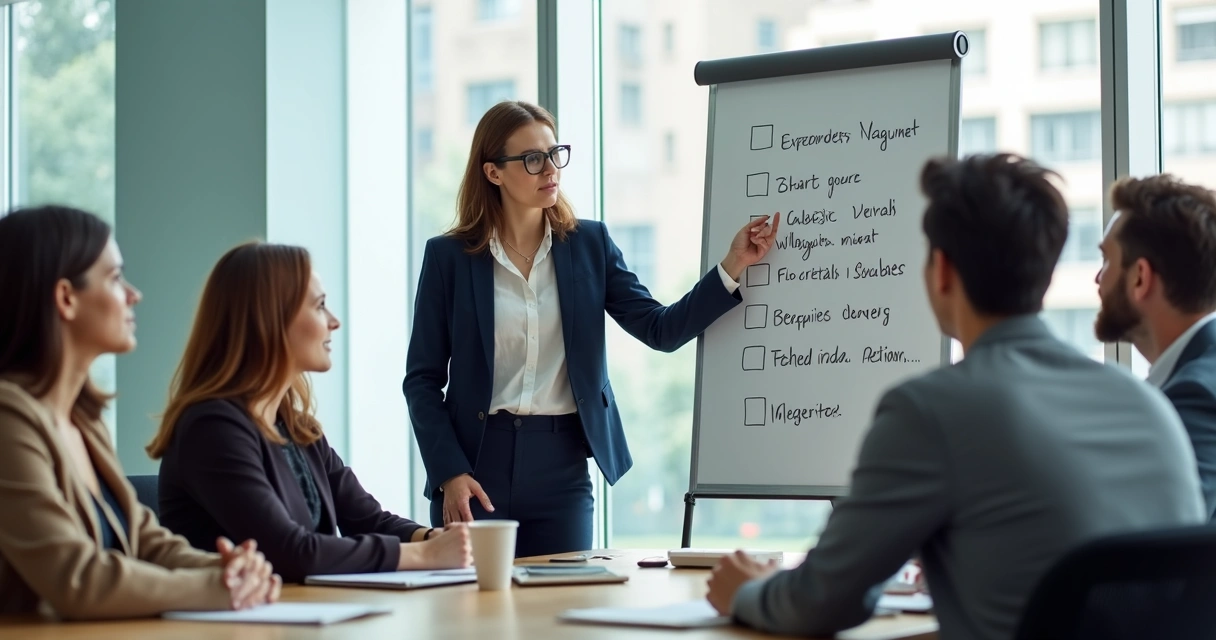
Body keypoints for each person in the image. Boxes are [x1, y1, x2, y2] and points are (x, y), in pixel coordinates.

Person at [705, 154, 1206, 640]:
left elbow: (820, 600)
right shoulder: (1148, 404)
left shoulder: (929, 410)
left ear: (942, 270)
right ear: (1045, 272)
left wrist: (747, 592)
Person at [403, 100, 778, 558]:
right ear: (493, 172)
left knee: (566, 598)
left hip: (561, 468)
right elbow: (421, 379)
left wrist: (733, 264)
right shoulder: (449, 258)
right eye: (532, 158)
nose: (550, 169)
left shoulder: (589, 244)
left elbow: (660, 329)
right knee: (472, 600)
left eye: (554, 153)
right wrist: (449, 472)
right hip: (475, 468)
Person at [0, 206, 280, 619]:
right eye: (116, 278)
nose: (134, 295)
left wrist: (229, 569)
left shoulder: (83, 421)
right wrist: (216, 588)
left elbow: (147, 542)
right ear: (66, 298)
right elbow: (76, 578)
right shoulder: (8, 419)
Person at [149, 242, 471, 584]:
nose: (334, 322)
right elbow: (291, 552)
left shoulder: (297, 428)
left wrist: (432, 538)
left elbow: (367, 520)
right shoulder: (211, 428)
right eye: (319, 306)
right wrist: (425, 555)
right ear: (270, 318)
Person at [1094, 174, 1216, 520]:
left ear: (1140, 277)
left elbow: (1169, 533)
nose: (1098, 279)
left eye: (1107, 260)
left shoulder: (1196, 394)